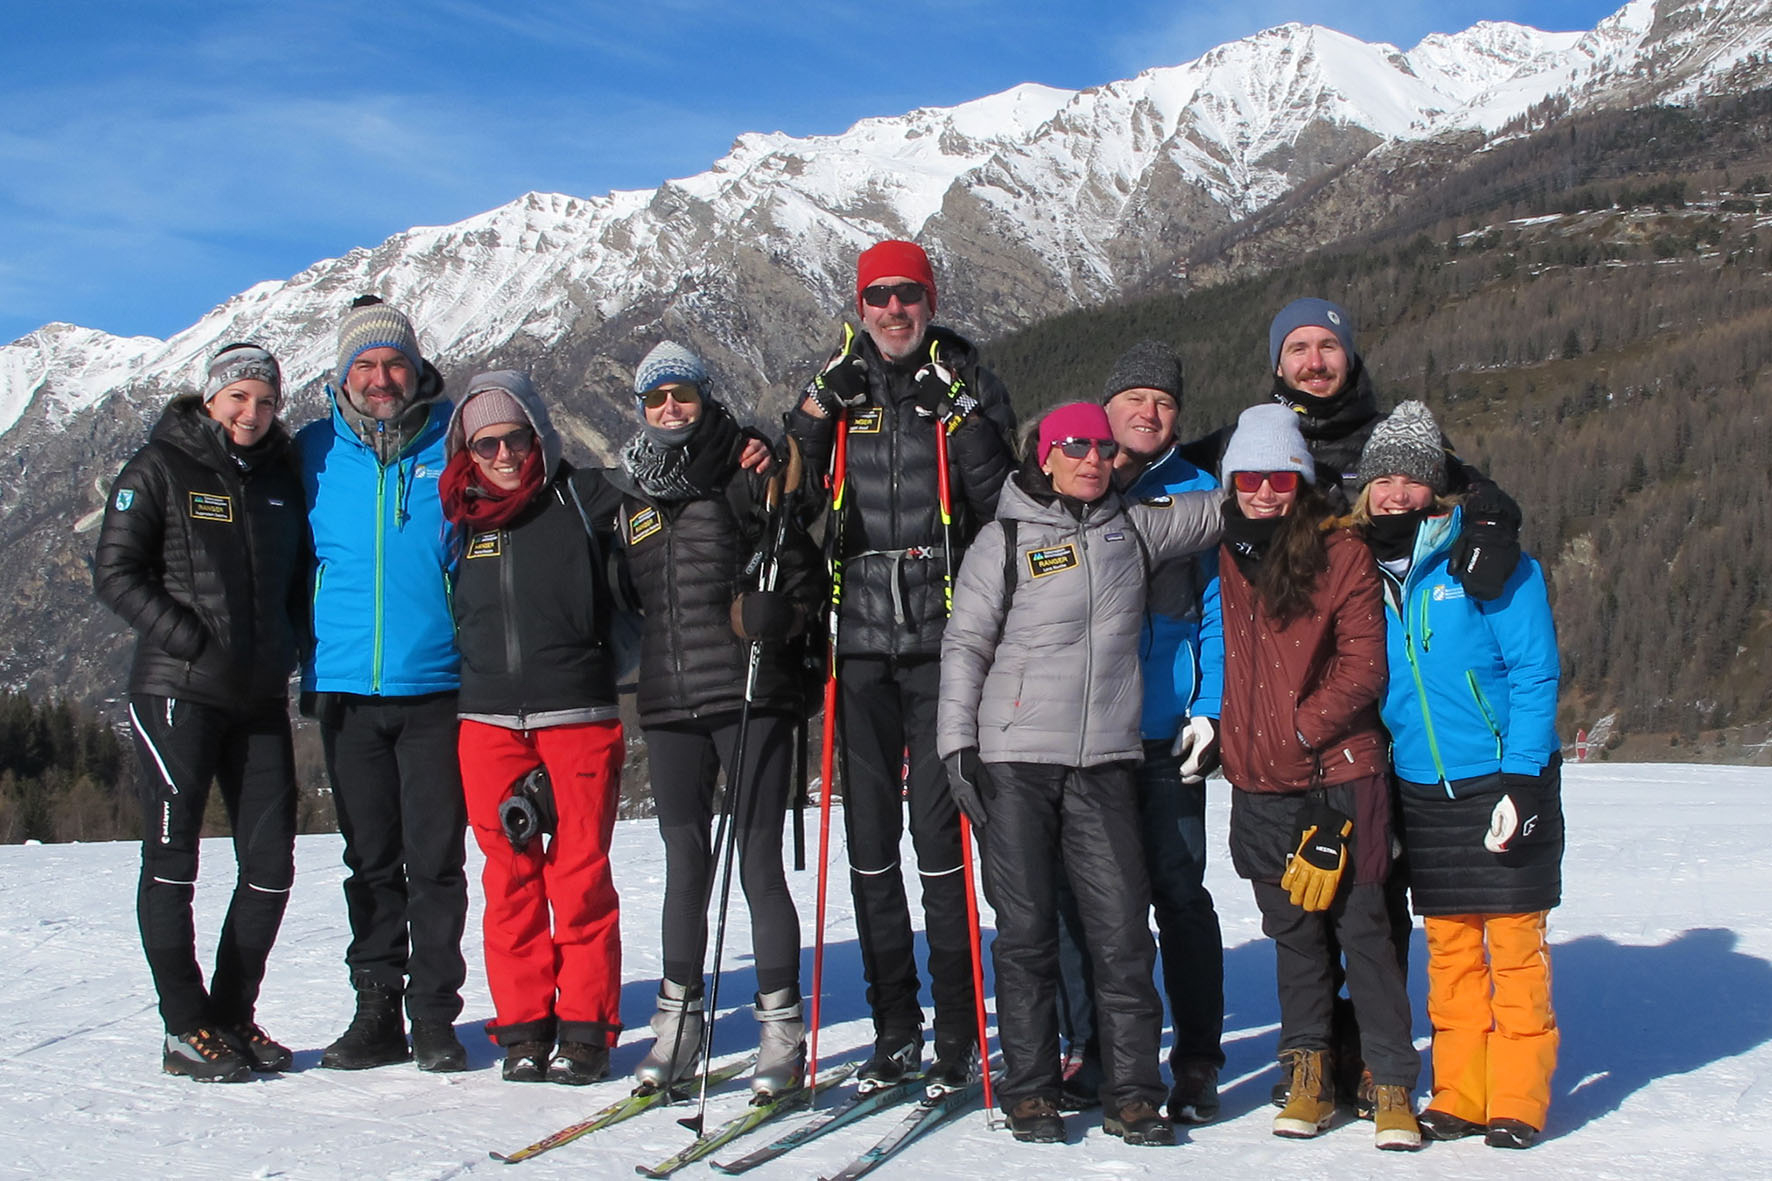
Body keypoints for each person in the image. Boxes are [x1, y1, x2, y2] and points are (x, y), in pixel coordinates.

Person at [938, 401, 1223, 1146]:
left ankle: (1133, 1093)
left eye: (1102, 446)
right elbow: (965, 645)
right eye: (1076, 446)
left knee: (1123, 932)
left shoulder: (1132, 527)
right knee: (1028, 930)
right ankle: (1031, 1089)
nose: (1093, 458)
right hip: (1015, 759)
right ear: (1045, 455)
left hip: (1102, 760)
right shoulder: (1002, 538)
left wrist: (1275, 465)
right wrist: (956, 746)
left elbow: (1227, 510)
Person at [789, 239, 1017, 1089]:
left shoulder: (967, 382)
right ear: (860, 305)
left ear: (929, 301)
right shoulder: (839, 383)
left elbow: (1002, 496)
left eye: (908, 295)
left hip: (943, 638)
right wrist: (813, 416)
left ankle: (957, 1026)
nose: (893, 310)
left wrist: (958, 413)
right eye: (878, 296)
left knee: (940, 838)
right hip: (857, 645)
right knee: (869, 842)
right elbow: (793, 497)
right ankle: (894, 1026)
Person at [603, 342, 823, 1099]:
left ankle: (780, 1031)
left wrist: (780, 615)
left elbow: (799, 570)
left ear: (704, 396)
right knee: (683, 863)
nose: (671, 408)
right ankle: (679, 1022)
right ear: (641, 408)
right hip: (665, 699)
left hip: (746, 690)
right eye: (656, 397)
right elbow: (629, 601)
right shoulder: (632, 494)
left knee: (757, 860)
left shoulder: (745, 469)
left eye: (683, 394)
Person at [1350, 402, 1563, 1150]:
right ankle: (1462, 1091)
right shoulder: (1360, 569)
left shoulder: (1487, 558)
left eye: (1413, 477)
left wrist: (1524, 779)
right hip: (1419, 787)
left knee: (1512, 946)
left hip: (1498, 776)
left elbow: (1535, 672)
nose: (1397, 491)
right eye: (1384, 477)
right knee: (1449, 950)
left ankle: (1518, 1096)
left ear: (1437, 488)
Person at [94, 343, 306, 1082]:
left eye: (266, 401)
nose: (252, 413)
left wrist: (292, 652)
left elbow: (295, 584)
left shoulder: (281, 480)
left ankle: (230, 1015)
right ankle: (185, 1026)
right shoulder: (160, 466)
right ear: (211, 397)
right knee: (174, 860)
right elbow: (114, 571)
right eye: (239, 397)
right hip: (177, 691)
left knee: (272, 865)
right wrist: (187, 636)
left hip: (258, 699)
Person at [1214, 403, 1421, 1151]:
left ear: (1301, 481)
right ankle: (1308, 1069)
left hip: (1340, 771)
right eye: (1250, 476)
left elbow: (1366, 666)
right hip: (1259, 778)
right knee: (1294, 933)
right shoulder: (1226, 553)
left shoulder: (1343, 556)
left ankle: (1390, 1078)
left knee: (1362, 926)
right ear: (1231, 481)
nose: (1264, 490)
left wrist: (1299, 729)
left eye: (1279, 476)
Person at [1050, 341, 1227, 1122]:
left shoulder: (1199, 494)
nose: (1149, 412)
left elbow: (1221, 611)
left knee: (1179, 897)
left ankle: (1196, 1057)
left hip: (1163, 729)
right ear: (1107, 406)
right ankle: (1094, 1052)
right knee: (1089, 902)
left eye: (1163, 401)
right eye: (1134, 399)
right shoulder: (1077, 482)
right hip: (1085, 731)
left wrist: (1210, 707)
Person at [296, 296, 470, 1072]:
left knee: (434, 861)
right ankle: (376, 1010)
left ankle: (433, 1013)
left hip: (436, 689)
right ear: (341, 376)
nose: (380, 377)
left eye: (393, 362)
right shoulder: (309, 453)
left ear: (416, 367)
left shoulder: (452, 440)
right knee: (369, 860)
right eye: (363, 365)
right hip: (345, 691)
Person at [441, 371, 627, 1084]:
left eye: (515, 437)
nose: (504, 453)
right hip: (486, 718)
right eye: (486, 443)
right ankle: (522, 1029)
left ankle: (585, 1027)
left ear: (538, 434)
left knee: (578, 874)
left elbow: (662, 485)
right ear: (468, 451)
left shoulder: (582, 496)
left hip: (578, 710)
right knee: (510, 878)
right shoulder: (457, 519)